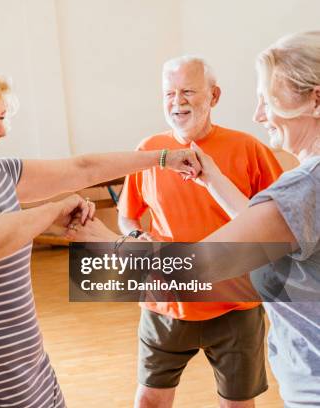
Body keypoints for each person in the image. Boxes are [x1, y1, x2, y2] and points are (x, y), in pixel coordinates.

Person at [0, 63, 202, 407]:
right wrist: (51, 212)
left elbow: (82, 168)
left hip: (26, 372)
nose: (1, 130)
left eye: (2, 117)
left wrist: (163, 158)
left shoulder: (1, 174)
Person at [67, 31, 319, 407]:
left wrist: (95, 236)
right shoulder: (306, 186)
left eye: (268, 100)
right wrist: (212, 176)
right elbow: (268, 224)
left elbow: (196, 267)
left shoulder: (303, 187)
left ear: (316, 100)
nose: (258, 115)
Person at [114, 56, 283, 408]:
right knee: (149, 401)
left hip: (236, 306)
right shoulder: (148, 151)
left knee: (237, 404)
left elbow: (278, 225)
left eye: (188, 91)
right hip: (166, 304)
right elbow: (128, 218)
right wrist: (134, 238)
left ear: (214, 95)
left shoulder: (249, 149)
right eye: (169, 93)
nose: (178, 102)